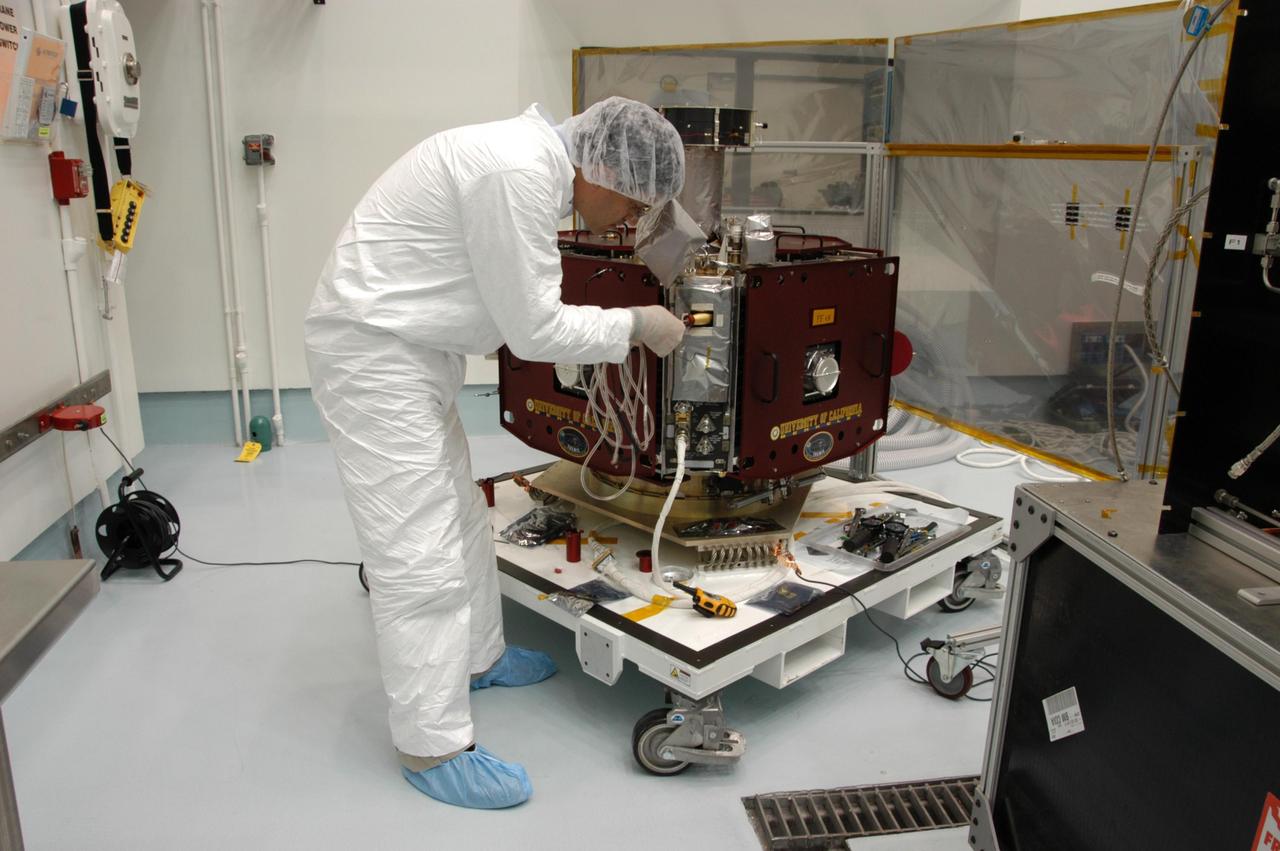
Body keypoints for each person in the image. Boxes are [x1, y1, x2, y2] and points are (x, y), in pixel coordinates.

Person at [303, 97, 687, 810]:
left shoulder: (526, 163)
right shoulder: (515, 171)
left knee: (457, 515)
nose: (628, 225)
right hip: (373, 359)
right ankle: (432, 745)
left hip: (409, 353)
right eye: (634, 207)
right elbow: (535, 329)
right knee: (418, 556)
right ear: (604, 171)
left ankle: (480, 657)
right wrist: (636, 323)